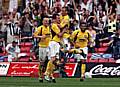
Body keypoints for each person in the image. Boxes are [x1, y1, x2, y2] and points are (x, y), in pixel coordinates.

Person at [34, 17, 51, 82]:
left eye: (47, 21)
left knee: (50, 60)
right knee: (42, 62)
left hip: (49, 47)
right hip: (42, 47)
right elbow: (34, 35)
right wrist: (41, 37)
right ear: (43, 22)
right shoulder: (40, 28)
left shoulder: (50, 28)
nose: (47, 22)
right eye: (45, 21)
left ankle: (48, 75)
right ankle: (40, 76)